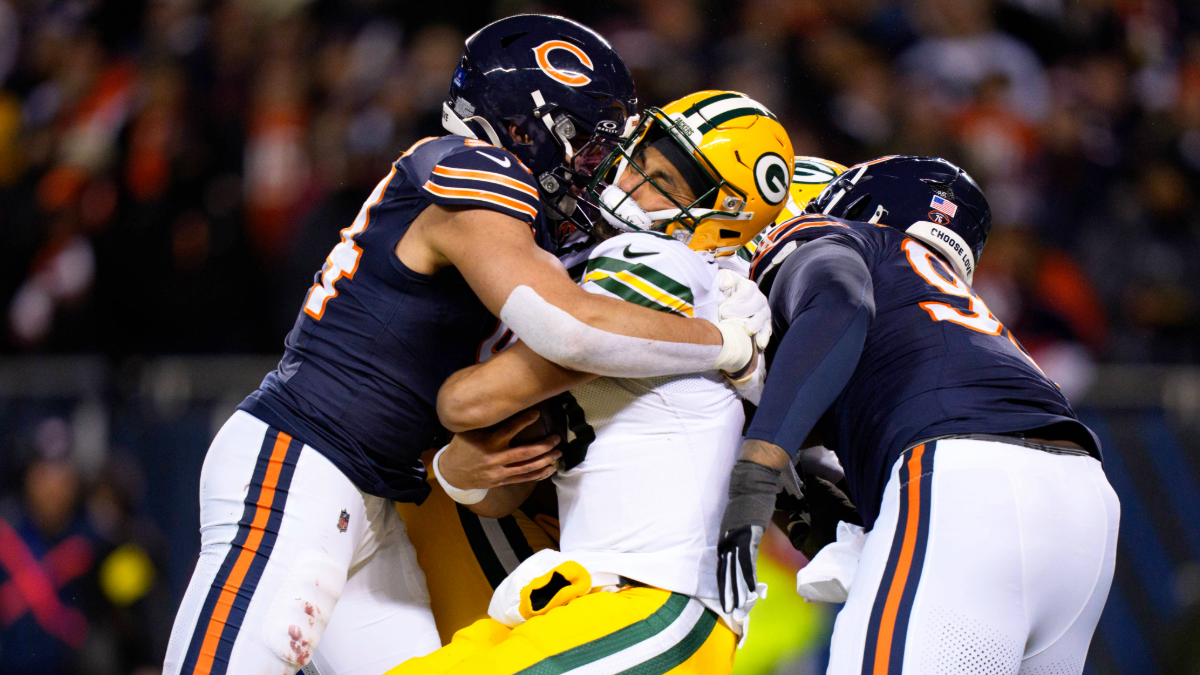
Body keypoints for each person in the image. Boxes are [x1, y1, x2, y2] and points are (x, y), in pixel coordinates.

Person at [162, 17, 771, 675]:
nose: (595, 177)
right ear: (530, 129)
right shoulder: (473, 168)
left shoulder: (515, 225)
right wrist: (724, 343)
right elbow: (567, 325)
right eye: (588, 152)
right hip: (303, 460)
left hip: (370, 494)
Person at [391, 90, 793, 675]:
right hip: (600, 594)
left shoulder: (658, 261)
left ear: (725, 221)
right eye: (643, 160)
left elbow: (468, 401)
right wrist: (459, 469)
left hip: (657, 601)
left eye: (672, 185)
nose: (634, 183)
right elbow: (504, 465)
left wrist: (723, 347)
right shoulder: (696, 283)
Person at [716, 156, 1120, 674]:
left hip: (966, 478)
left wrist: (756, 472)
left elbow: (839, 304)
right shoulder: (950, 308)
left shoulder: (846, 242)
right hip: (1085, 503)